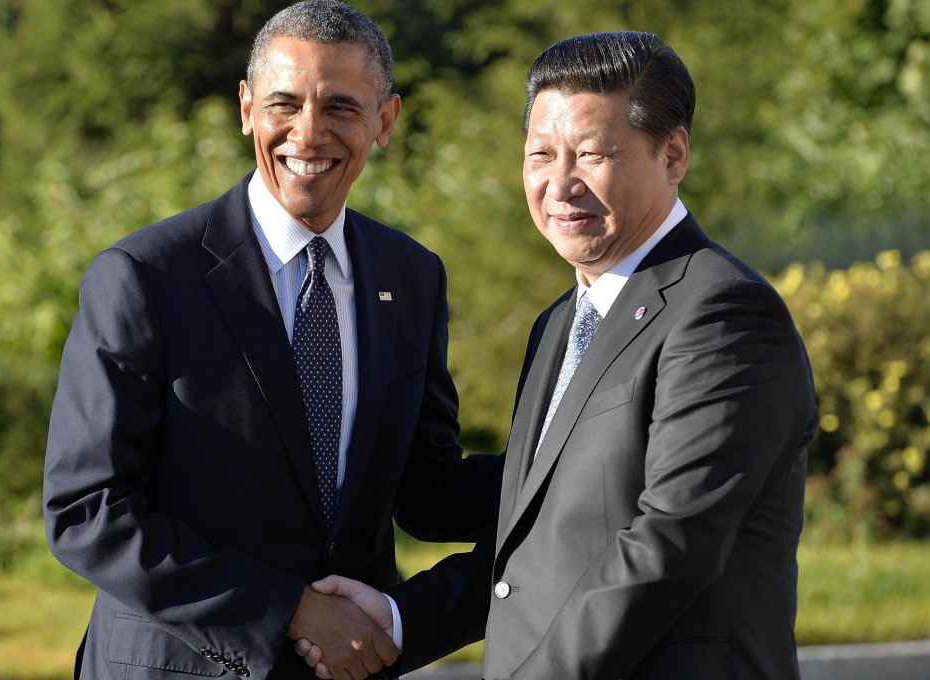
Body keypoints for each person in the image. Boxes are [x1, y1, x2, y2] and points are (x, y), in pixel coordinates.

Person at [298, 31, 818, 680]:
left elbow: (668, 549)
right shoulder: (561, 322)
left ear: (674, 153)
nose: (560, 183)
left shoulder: (724, 315)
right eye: (541, 155)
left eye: (592, 154)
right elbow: (542, 532)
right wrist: (400, 620)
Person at [42, 2, 501, 679]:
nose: (309, 134)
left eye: (342, 108)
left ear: (386, 121)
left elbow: (426, 489)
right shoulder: (145, 277)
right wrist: (284, 608)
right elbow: (87, 511)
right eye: (285, 103)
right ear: (247, 107)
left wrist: (573, 470)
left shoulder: (411, 276)